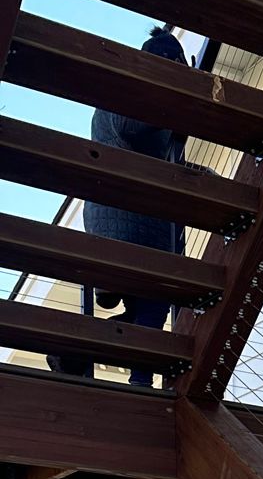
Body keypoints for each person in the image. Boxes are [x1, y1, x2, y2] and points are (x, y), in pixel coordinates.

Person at [74, 26, 190, 387]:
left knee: (144, 311)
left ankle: (73, 352)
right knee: (153, 305)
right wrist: (185, 99)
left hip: (135, 220)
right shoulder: (130, 93)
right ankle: (139, 382)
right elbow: (134, 126)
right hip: (131, 219)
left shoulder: (140, 95)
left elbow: (163, 157)